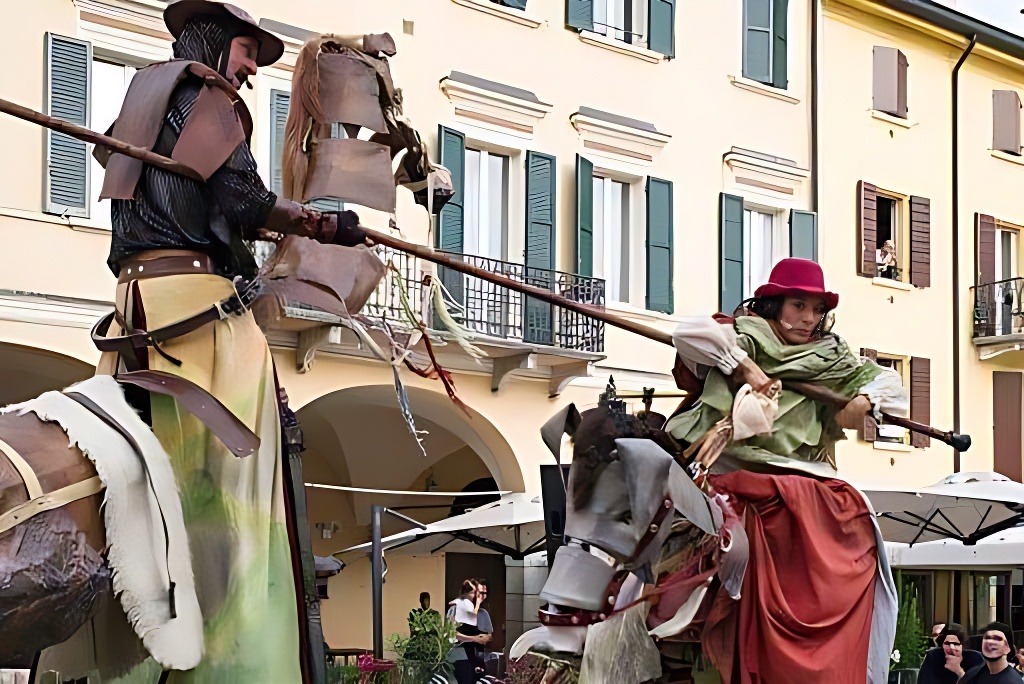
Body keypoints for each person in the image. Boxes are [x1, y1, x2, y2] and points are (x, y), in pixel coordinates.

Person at [37, 2, 366, 682]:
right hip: (195, 311)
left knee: (123, 481)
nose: (249, 70)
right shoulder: (209, 97)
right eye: (248, 52)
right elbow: (243, 201)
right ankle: (241, 658)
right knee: (248, 475)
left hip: (134, 313)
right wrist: (320, 224)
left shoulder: (141, 96)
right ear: (217, 42)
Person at [666, 258, 908, 683]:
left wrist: (864, 400)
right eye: (799, 306)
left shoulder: (832, 357)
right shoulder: (745, 336)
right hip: (724, 463)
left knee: (855, 520)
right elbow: (686, 333)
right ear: (774, 304)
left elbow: (889, 383)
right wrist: (742, 366)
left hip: (800, 472)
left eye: (817, 310)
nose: (809, 319)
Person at [448, 580, 485, 684]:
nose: (473, 596)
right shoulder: (465, 603)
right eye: (472, 593)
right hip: (460, 653)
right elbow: (473, 615)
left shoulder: (456, 604)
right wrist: (477, 604)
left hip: (456, 653)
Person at [958, 623, 1023, 682]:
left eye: (997, 639)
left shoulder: (1013, 681)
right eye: (987, 638)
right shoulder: (972, 674)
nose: (990, 642)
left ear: (1008, 647)